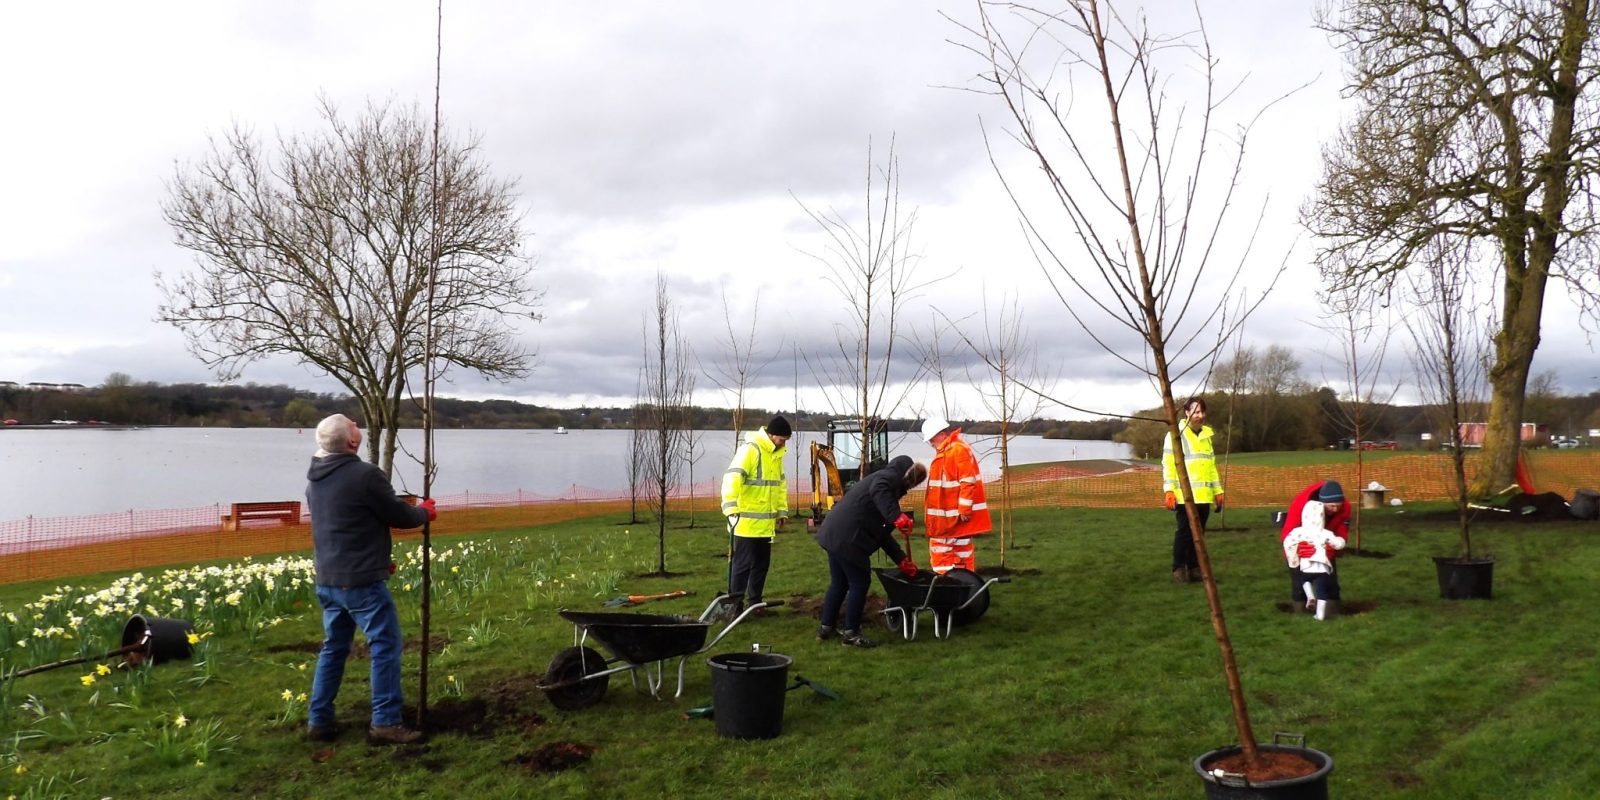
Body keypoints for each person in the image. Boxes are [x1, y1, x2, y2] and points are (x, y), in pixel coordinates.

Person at [305, 414, 437, 745]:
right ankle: (386, 722)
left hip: (330, 578)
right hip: (359, 583)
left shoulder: (315, 479)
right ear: (352, 442)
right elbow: (400, 515)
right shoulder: (365, 475)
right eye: (354, 425)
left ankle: (319, 720)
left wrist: (376, 562)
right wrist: (426, 512)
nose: (359, 427)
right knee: (386, 645)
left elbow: (348, 524)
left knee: (334, 648)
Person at [815, 455, 926, 648]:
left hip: (834, 533)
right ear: (906, 474)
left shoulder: (885, 492)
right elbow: (880, 491)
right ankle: (851, 634)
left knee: (839, 583)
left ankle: (826, 628)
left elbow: (882, 534)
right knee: (859, 582)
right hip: (849, 538)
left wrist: (901, 560)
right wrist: (897, 517)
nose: (910, 486)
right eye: (911, 481)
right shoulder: (886, 479)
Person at [720, 414, 791, 614]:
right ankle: (735, 607)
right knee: (742, 567)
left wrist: (781, 512)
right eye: (782, 439)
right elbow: (732, 478)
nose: (783, 443)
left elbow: (779, 486)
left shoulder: (776, 456)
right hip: (744, 523)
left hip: (765, 526)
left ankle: (755, 604)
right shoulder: (750, 450)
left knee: (761, 565)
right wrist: (731, 509)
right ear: (771, 434)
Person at [1162, 397, 1224, 584]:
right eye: (1196, 412)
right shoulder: (1176, 435)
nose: (1200, 416)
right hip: (1184, 496)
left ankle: (1194, 568)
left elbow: (1211, 467)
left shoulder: (1206, 437)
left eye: (1202, 412)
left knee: (1199, 535)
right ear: (1187, 413)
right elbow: (1168, 464)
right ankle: (1178, 569)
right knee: (1184, 534)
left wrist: (1218, 491)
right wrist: (1169, 491)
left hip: (1204, 496)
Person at [920, 418, 992, 574]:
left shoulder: (956, 450)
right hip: (952, 521)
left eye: (932, 439)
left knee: (942, 558)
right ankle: (965, 590)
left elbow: (967, 480)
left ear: (941, 434)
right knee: (962, 556)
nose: (931, 443)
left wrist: (964, 509)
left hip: (950, 522)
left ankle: (947, 591)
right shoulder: (951, 450)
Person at [1280, 480, 1348, 609]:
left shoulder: (1345, 507)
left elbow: (1342, 531)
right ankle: (1300, 608)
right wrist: (1298, 551)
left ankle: (1332, 608)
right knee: (1299, 581)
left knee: (1329, 579)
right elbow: (1288, 535)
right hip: (1301, 547)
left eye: (1338, 506)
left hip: (1324, 544)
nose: (1335, 510)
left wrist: (1331, 550)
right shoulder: (1300, 505)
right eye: (1331, 506)